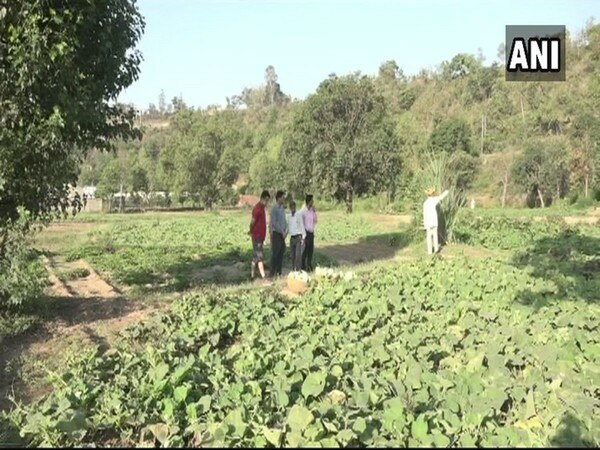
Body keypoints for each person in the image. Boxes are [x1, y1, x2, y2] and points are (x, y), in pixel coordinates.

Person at [249, 190, 271, 282]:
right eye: (266, 200)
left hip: (260, 236)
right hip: (257, 236)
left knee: (255, 257)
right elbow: (252, 222)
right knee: (260, 256)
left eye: (268, 201)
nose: (267, 202)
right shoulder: (257, 209)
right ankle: (263, 277)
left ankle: (252, 276)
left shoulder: (262, 208)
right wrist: (251, 231)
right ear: (262, 198)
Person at [423, 187, 449, 255]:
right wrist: (446, 192)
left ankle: (429, 252)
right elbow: (441, 197)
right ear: (433, 194)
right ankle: (436, 250)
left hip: (428, 222)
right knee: (435, 236)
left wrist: (425, 224)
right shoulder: (434, 200)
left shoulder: (425, 203)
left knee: (429, 237)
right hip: (434, 221)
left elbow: (424, 214)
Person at [269, 190, 287, 277]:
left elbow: (284, 220)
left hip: (282, 234)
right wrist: (282, 231)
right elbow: (274, 223)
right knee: (275, 253)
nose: (284, 199)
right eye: (283, 197)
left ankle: (279, 272)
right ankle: (272, 273)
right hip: (277, 234)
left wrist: (286, 230)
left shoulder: (282, 208)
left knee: (281, 253)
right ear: (279, 198)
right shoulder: (274, 209)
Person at [287, 200, 306, 272]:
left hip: (298, 236)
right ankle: (293, 269)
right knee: (292, 255)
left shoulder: (298, 215)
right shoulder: (288, 217)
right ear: (290, 208)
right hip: (292, 237)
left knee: (298, 255)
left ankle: (298, 270)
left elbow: (301, 225)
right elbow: (288, 227)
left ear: (295, 207)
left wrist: (303, 237)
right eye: (291, 207)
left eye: (294, 207)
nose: (293, 209)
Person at [301, 194, 317, 272]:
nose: (313, 202)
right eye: (312, 201)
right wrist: (303, 234)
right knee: (305, 250)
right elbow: (301, 223)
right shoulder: (303, 211)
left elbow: (315, 220)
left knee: (311, 250)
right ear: (309, 201)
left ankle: (309, 265)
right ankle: (302, 266)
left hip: (311, 232)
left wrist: (314, 212)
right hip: (305, 232)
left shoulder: (312, 211)